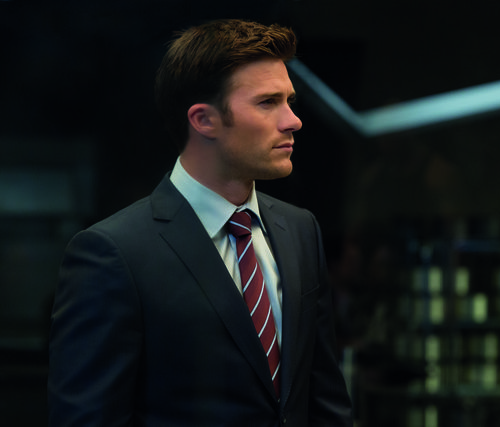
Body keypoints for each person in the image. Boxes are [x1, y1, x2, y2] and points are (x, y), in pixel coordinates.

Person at [48, 19, 353, 427]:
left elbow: (324, 398)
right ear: (204, 120)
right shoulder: (115, 252)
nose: (293, 120)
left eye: (289, 100)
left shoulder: (299, 229)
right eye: (268, 102)